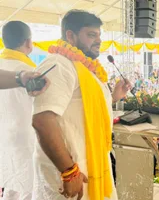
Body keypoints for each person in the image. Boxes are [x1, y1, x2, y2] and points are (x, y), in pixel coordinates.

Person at [32, 10, 130, 199]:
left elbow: (83, 108)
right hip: (70, 171)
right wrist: (69, 171)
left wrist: (114, 97)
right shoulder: (59, 65)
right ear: (71, 36)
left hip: (90, 163)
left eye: (99, 35)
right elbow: (43, 120)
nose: (98, 40)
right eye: (91, 35)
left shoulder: (85, 68)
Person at [0, 21, 36, 200]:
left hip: (2, 137)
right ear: (28, 43)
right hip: (25, 138)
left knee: (9, 186)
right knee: (28, 188)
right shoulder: (30, 72)